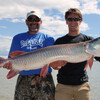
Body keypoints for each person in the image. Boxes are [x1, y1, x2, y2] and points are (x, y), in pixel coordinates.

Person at [50, 8, 100, 100]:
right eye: (70, 19)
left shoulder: (88, 40)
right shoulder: (60, 41)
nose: (73, 22)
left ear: (80, 21)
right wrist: (57, 65)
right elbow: (54, 66)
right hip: (63, 86)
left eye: (76, 19)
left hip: (83, 86)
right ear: (66, 21)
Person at [5, 11, 55, 100]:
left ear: (41, 22)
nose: (33, 22)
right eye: (31, 19)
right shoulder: (17, 38)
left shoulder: (48, 38)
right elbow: (11, 59)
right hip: (24, 79)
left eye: (36, 19)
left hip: (44, 79)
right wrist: (8, 65)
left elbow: (53, 61)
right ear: (26, 22)